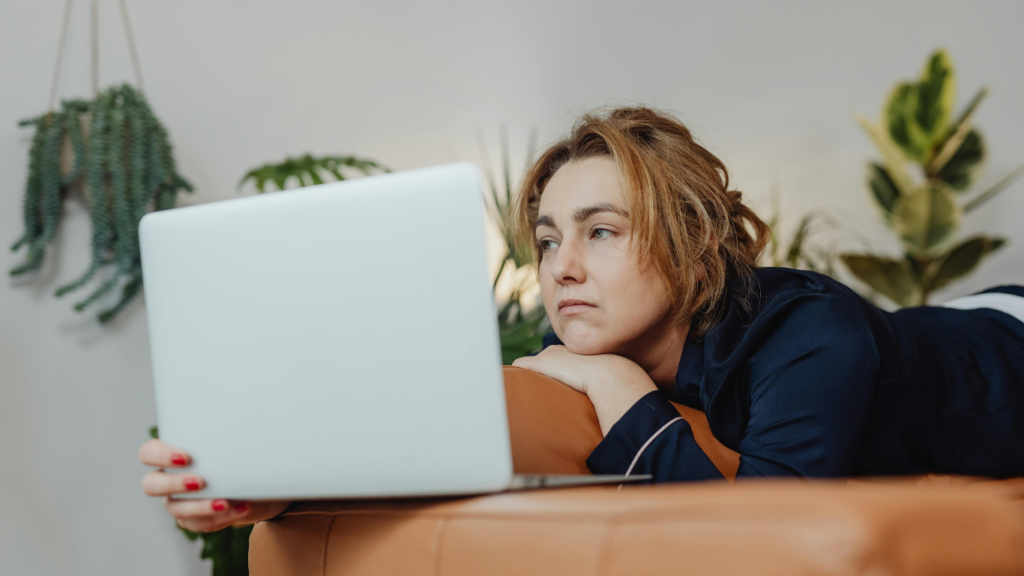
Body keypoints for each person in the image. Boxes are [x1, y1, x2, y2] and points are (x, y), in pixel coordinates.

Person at [140, 106, 1024, 532]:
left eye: (601, 232)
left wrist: (615, 387)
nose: (561, 266)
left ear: (692, 245)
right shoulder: (574, 340)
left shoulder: (807, 336)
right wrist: (266, 486)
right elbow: (439, 450)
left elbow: (756, 540)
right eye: (548, 237)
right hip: (935, 325)